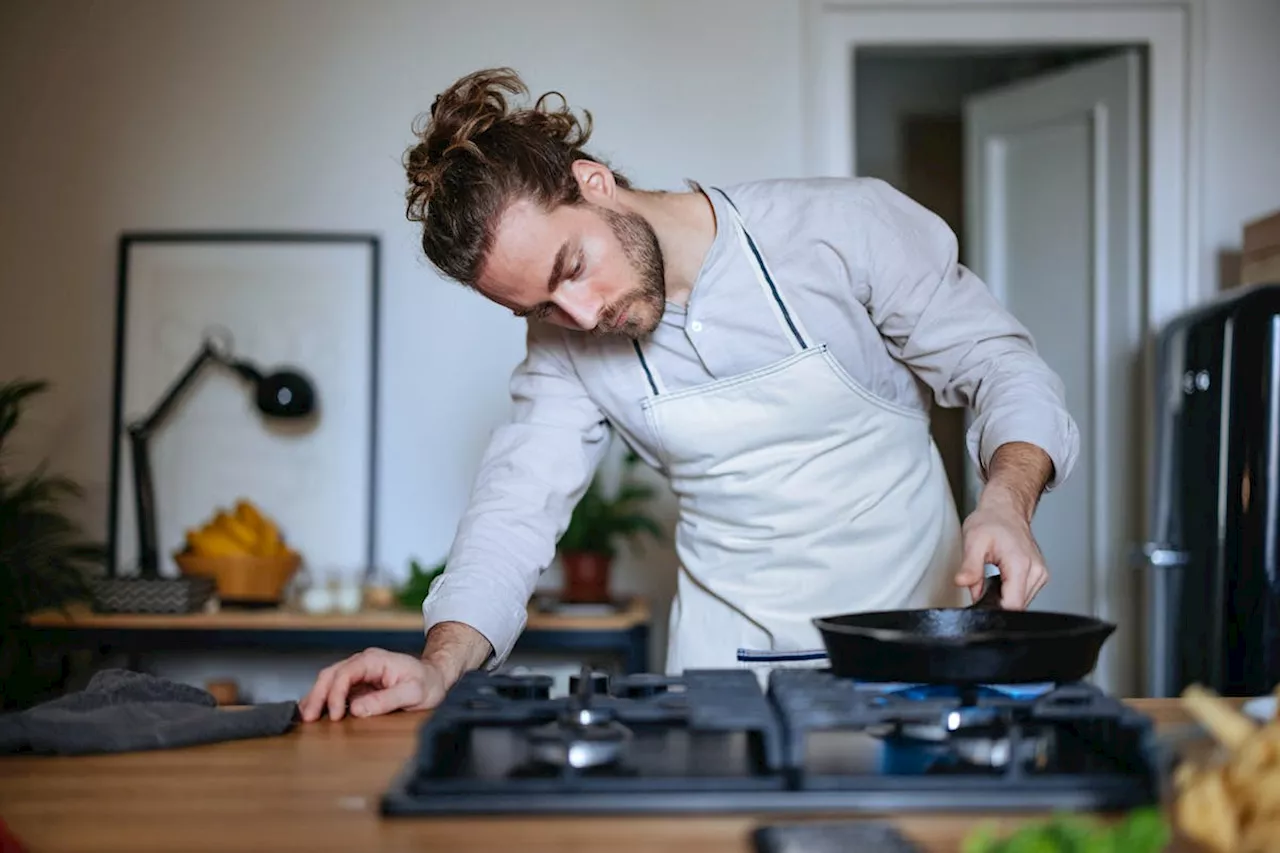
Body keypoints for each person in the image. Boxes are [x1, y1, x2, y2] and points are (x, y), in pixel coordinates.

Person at [298, 67, 1079, 722]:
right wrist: (438, 667)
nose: (576, 316)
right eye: (535, 305)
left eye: (571, 267)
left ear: (596, 184)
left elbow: (999, 365)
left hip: (913, 650)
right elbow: (513, 513)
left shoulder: (837, 228)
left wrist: (1007, 501)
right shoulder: (564, 346)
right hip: (724, 678)